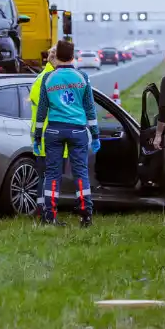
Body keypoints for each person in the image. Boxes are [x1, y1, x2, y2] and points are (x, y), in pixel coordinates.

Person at [33, 40, 97, 227]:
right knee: (81, 173)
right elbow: (90, 108)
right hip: (78, 130)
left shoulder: (48, 78)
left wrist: (38, 135)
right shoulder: (82, 77)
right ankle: (86, 215)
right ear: (72, 55)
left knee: (52, 174)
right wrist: (95, 133)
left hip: (54, 129)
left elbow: (42, 110)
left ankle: (49, 216)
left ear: (57, 55)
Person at [28, 46, 67, 217]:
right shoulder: (47, 78)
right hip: (49, 135)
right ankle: (45, 211)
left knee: (49, 176)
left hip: (48, 134)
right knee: (49, 176)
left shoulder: (48, 77)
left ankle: (44, 209)